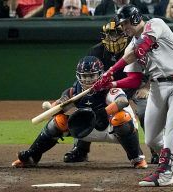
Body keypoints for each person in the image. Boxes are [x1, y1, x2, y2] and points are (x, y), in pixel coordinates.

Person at [92, 5, 173, 187]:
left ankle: (165, 172)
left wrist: (111, 70)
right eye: (121, 25)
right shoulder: (130, 45)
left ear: (135, 18)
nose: (123, 28)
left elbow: (142, 47)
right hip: (157, 87)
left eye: (125, 23)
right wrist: (112, 83)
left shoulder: (156, 24)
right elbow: (134, 79)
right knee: (152, 138)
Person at [11, 56, 148, 170]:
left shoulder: (108, 87)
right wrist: (55, 106)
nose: (88, 80)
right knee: (58, 121)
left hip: (113, 129)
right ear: (78, 76)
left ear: (100, 75)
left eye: (92, 76)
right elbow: (60, 107)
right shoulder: (74, 91)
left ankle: (137, 158)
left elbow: (123, 101)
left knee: (121, 118)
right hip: (87, 130)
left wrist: (103, 112)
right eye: (85, 76)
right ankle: (32, 156)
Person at [63, 21, 160, 164]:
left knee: (145, 110)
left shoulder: (135, 46)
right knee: (86, 107)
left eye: (117, 34)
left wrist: (146, 87)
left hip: (136, 87)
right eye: (109, 34)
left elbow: (152, 68)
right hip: (106, 90)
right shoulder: (95, 52)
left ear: (125, 34)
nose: (113, 38)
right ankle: (80, 150)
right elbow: (85, 75)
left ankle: (156, 149)